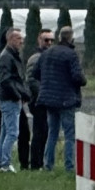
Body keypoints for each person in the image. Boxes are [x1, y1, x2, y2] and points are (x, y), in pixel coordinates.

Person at [34, 26, 88, 172]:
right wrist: (84, 80)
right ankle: (69, 166)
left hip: (49, 99)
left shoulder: (46, 53)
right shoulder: (71, 54)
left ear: (59, 37)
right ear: (71, 38)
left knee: (52, 133)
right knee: (69, 134)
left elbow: (35, 73)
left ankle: (48, 165)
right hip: (66, 99)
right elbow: (77, 76)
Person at [0, 30, 31, 169]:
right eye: (19, 38)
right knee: (12, 133)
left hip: (7, 98)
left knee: (5, 131)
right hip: (9, 99)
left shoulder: (10, 55)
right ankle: (6, 164)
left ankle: (2, 162)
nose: (21, 41)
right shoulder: (7, 57)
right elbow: (7, 80)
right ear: (10, 39)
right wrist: (19, 95)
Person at [25, 29, 55, 170]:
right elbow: (31, 80)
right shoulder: (36, 58)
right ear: (39, 40)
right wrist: (43, 95)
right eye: (46, 40)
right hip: (38, 101)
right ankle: (36, 163)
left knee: (46, 132)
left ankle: (41, 162)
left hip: (46, 100)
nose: (49, 43)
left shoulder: (48, 57)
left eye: (51, 40)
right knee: (39, 132)